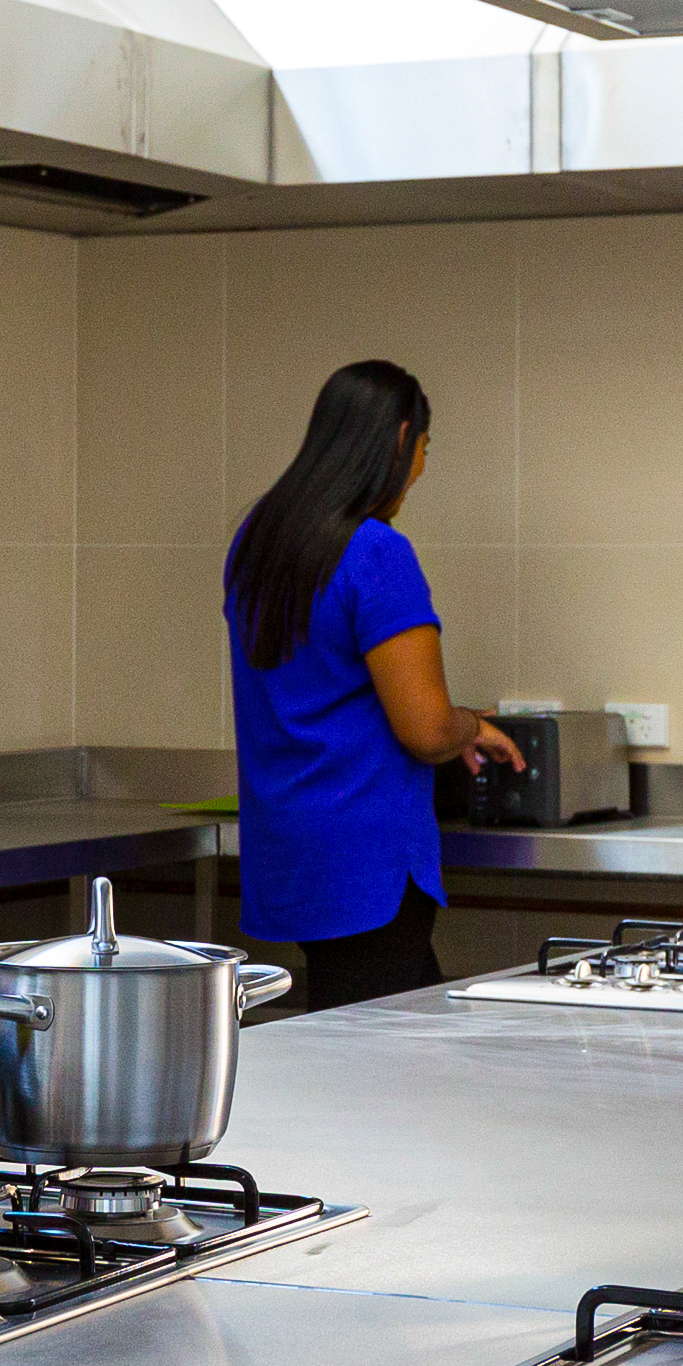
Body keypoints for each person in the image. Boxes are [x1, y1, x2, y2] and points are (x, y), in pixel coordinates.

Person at [220, 361, 523, 1011]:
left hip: (289, 856)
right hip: (368, 867)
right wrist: (473, 726)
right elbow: (426, 726)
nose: (421, 468)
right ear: (401, 438)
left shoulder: (256, 546)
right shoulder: (376, 553)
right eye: (424, 449)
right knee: (378, 1072)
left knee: (407, 1037)